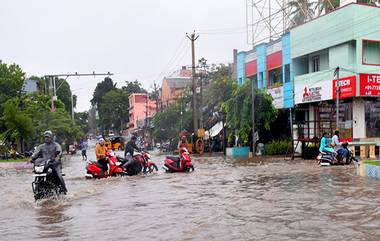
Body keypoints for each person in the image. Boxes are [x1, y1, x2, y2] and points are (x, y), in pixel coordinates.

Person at [31, 130, 67, 194]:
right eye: (45, 137)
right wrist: (32, 158)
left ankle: (64, 190)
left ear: (51, 137)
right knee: (37, 173)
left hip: (55, 165)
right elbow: (35, 154)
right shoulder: (41, 146)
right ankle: (38, 190)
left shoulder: (56, 145)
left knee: (59, 175)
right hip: (45, 165)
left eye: (48, 137)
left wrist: (57, 157)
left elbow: (59, 153)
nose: (47, 138)